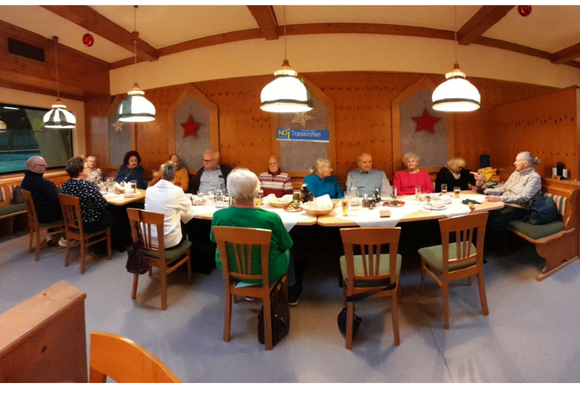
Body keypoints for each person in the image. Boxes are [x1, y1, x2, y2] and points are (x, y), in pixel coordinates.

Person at [210, 168, 293, 284]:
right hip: (268, 271)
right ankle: (292, 287)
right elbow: (286, 244)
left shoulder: (219, 216)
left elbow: (214, 240)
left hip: (229, 268)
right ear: (257, 190)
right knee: (288, 251)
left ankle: (241, 281)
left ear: (230, 190)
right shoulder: (271, 218)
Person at [479, 151, 542, 255]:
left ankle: (505, 247)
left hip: (521, 208)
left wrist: (500, 199)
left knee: (495, 221)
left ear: (526, 163)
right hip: (506, 203)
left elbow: (524, 198)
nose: (514, 163)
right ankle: (490, 244)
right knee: (485, 215)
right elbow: (504, 188)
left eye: (517, 160)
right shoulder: (515, 173)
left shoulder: (534, 177)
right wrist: (487, 189)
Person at [60, 156, 112, 252]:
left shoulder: (66, 184)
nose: (88, 169)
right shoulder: (87, 185)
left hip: (72, 222)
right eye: (86, 168)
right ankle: (101, 247)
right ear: (80, 172)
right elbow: (103, 204)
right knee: (114, 213)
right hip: (89, 223)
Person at [145, 161, 196, 248]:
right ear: (174, 177)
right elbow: (188, 207)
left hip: (148, 239)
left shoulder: (149, 190)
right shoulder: (177, 191)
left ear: (161, 176)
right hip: (168, 242)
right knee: (184, 224)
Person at [20, 156, 63, 245]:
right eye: (43, 165)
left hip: (36, 215)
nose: (45, 167)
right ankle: (70, 238)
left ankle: (53, 235)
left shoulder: (25, 182)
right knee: (72, 211)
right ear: (34, 167)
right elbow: (56, 201)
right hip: (46, 217)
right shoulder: (44, 184)